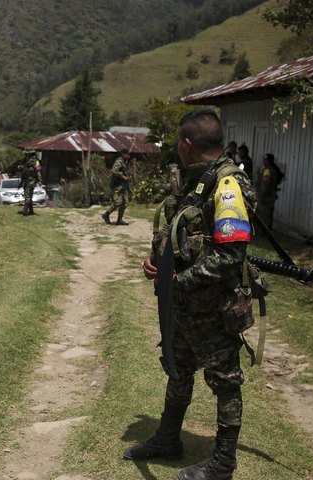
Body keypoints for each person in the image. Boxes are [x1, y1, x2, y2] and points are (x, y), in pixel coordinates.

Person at [124, 110, 257, 480]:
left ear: (187, 143)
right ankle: (168, 438)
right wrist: (159, 263)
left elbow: (231, 258)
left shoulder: (227, 185)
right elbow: (186, 237)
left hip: (213, 307)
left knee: (224, 380)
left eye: (177, 145)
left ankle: (223, 463)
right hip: (186, 307)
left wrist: (178, 281)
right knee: (178, 368)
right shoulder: (198, 182)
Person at [102, 149, 133, 225]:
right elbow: (114, 171)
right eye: (127, 155)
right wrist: (123, 177)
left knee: (125, 203)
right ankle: (106, 214)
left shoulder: (125, 162)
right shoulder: (119, 162)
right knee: (117, 202)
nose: (128, 156)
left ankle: (119, 219)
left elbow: (126, 172)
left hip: (124, 185)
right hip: (117, 185)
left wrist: (128, 177)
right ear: (123, 154)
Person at [255, 153, 283, 229]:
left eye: (265, 160)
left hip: (265, 197)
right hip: (270, 196)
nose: (263, 161)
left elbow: (265, 185)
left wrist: (260, 194)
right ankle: (267, 229)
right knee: (268, 213)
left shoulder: (267, 171)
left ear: (267, 161)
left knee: (264, 214)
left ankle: (264, 231)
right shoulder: (274, 169)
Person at [17, 150, 43, 216]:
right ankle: (31, 211)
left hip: (31, 181)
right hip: (26, 180)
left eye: (26, 154)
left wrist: (40, 180)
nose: (25, 155)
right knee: (28, 195)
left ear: (30, 154)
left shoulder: (35, 161)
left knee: (28, 195)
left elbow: (38, 171)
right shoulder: (26, 161)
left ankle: (25, 210)